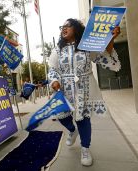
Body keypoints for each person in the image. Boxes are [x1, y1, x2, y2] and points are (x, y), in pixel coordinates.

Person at [48, 18, 121, 166]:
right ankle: (71, 130)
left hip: (84, 87)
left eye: (68, 26)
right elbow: (52, 69)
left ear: (77, 29)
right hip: (64, 88)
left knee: (83, 119)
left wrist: (111, 39)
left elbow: (104, 57)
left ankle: (85, 149)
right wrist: (54, 80)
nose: (64, 28)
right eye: (62, 26)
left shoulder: (87, 47)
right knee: (61, 115)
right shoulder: (57, 50)